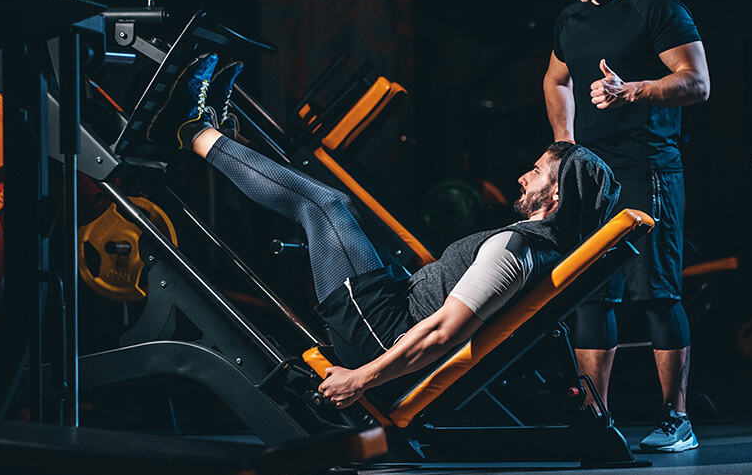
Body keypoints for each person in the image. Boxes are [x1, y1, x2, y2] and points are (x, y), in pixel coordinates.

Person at [152, 52, 619, 411]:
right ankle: (215, 130)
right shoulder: (536, 247)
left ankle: (192, 130)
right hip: (395, 308)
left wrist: (360, 379)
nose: (522, 176)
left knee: (322, 204)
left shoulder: (518, 249)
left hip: (384, 334)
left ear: (556, 198)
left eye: (536, 172)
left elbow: (441, 334)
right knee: (338, 206)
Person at [542, 0, 710, 452]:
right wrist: (566, 146)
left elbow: (696, 82)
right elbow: (556, 80)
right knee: (593, 297)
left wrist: (631, 89)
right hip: (592, 176)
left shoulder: (654, 7)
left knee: (656, 296)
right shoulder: (572, 18)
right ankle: (598, 419)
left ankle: (676, 420)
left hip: (649, 167)